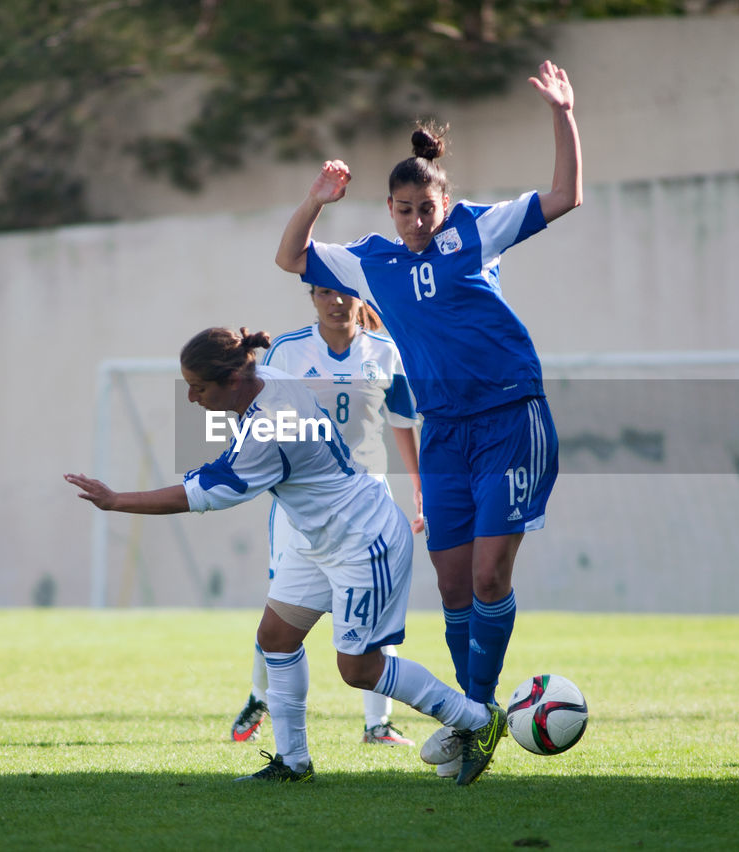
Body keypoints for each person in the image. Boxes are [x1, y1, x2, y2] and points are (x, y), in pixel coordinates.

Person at [274, 60, 581, 777]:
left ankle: (475, 718)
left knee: (487, 577)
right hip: (444, 431)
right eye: (405, 210)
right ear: (389, 209)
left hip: (509, 417)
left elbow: (566, 195)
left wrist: (562, 113)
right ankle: (475, 723)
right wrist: (317, 199)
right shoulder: (369, 261)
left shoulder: (478, 230)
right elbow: (289, 256)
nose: (417, 220)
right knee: (449, 586)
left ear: (444, 200)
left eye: (427, 208)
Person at [64, 327, 507, 786]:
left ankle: (476, 719)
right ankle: (293, 763)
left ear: (232, 379)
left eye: (198, 387)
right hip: (317, 538)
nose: (192, 399)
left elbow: (203, 495)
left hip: (361, 539)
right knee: (275, 637)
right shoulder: (269, 378)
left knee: (359, 669)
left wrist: (116, 501)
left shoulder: (272, 427)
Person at [229, 288, 425, 748]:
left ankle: (378, 724)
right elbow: (255, 409)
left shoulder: (387, 351)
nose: (335, 302)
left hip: (367, 500)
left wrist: (421, 488)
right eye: (324, 293)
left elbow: (402, 420)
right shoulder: (288, 350)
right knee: (281, 607)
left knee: (373, 611)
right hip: (302, 502)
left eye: (343, 293)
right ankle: (261, 695)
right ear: (312, 297)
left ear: (358, 299)